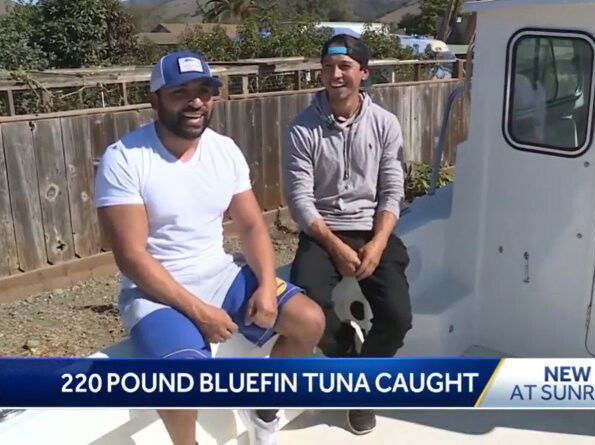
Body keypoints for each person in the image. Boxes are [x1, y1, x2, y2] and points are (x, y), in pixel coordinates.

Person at [94, 51, 325, 445]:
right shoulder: (125, 158)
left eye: (205, 91)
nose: (196, 101)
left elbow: (252, 224)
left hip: (219, 273)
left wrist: (267, 286)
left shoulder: (224, 149)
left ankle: (265, 406)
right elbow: (131, 257)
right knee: (185, 380)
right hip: (156, 293)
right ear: (155, 99)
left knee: (309, 320)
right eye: (180, 92)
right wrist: (200, 312)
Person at [283, 34, 412, 435]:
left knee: (398, 316)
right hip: (323, 231)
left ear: (363, 73)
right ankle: (344, 351)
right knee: (307, 306)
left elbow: (393, 190)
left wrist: (377, 242)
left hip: (373, 228)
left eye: (344, 67)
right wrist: (335, 246)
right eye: (327, 67)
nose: (334, 74)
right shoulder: (301, 128)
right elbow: (299, 199)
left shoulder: (385, 124)